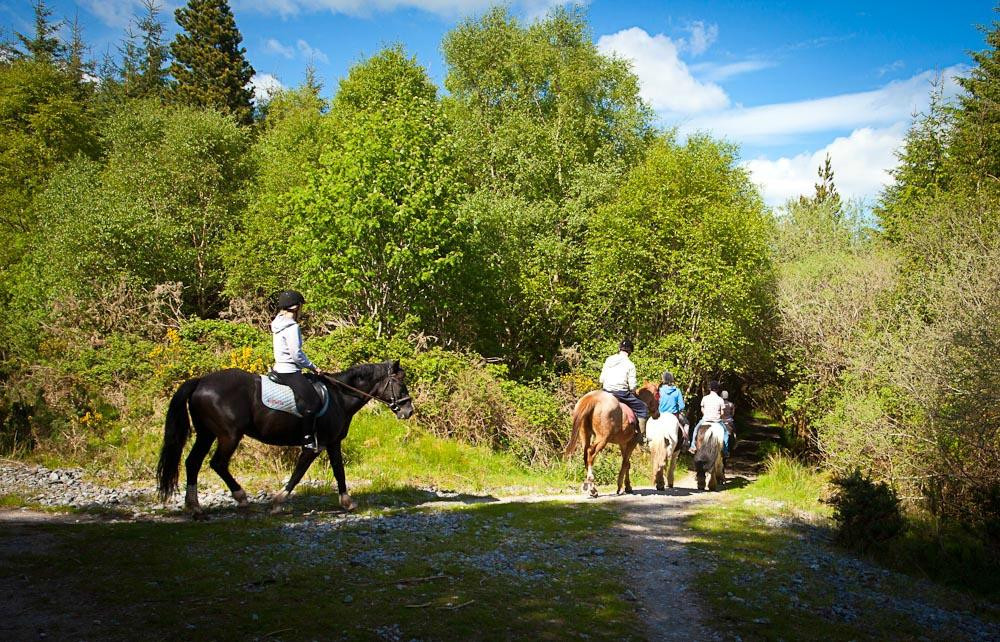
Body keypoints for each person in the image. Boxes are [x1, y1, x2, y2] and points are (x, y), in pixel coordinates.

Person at [271, 290, 323, 451]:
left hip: (278, 368)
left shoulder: (277, 323)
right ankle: (307, 440)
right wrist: (313, 367)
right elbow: (297, 354)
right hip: (289, 371)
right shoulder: (292, 327)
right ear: (295, 307)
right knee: (314, 402)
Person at [599, 339, 649, 444]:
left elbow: (601, 379)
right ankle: (641, 437)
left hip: (605, 392)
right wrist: (633, 391)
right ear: (630, 351)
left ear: (619, 349)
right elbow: (632, 386)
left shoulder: (609, 359)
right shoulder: (630, 364)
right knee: (643, 408)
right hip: (621, 393)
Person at [689, 380, 725, 454]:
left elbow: (702, 409)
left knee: (695, 430)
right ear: (717, 389)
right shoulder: (720, 399)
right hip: (717, 421)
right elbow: (722, 412)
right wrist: (720, 416)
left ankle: (693, 446)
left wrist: (706, 414)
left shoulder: (705, 398)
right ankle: (725, 451)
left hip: (705, 420)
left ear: (710, 388)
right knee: (726, 434)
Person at [658, 371, 688, 441]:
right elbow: (682, 406)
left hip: (661, 414)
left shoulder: (659, 390)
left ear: (663, 379)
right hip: (674, 415)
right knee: (686, 423)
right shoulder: (677, 391)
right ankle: (686, 442)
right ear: (672, 379)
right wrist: (678, 409)